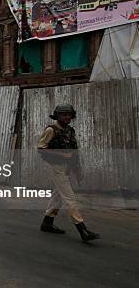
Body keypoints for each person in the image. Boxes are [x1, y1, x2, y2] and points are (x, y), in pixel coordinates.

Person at [38, 104, 100, 242]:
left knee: (58, 197)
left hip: (68, 168)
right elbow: (41, 148)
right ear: (57, 115)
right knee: (69, 198)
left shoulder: (70, 130)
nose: (67, 117)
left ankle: (47, 223)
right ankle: (82, 229)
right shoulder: (51, 130)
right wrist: (61, 155)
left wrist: (78, 170)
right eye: (63, 114)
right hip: (57, 168)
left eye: (69, 114)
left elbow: (74, 152)